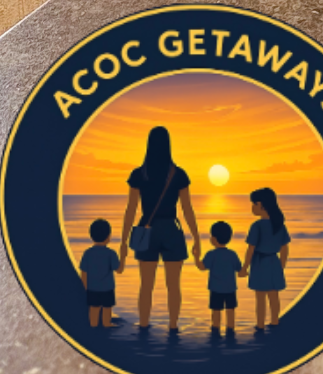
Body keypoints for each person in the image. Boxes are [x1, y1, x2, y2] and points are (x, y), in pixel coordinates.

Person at [118, 125, 202, 332]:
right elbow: (187, 209)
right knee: (173, 285)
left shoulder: (139, 174)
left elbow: (131, 210)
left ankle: (144, 325)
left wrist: (123, 241)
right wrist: (197, 238)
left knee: (146, 285)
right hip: (171, 231)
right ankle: (173, 327)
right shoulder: (178, 174)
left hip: (147, 230)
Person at [243, 187, 290, 330]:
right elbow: (284, 248)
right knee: (274, 295)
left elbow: (250, 249)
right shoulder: (279, 225)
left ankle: (260, 325)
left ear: (262, 205)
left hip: (260, 262)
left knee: (260, 298)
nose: (252, 207)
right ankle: (275, 321)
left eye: (254, 203)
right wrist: (281, 266)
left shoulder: (257, 226)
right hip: (274, 262)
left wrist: (245, 267)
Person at [200, 220, 244, 336]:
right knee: (230, 310)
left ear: (214, 238)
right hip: (230, 288)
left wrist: (195, 257)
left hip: (215, 289)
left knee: (216, 311)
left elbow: (202, 267)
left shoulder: (211, 254)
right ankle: (230, 330)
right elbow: (240, 269)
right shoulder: (232, 254)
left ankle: (215, 330)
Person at [79, 217, 120, 328]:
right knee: (107, 308)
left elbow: (84, 272)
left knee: (93, 308)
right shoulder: (111, 253)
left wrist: (85, 287)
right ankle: (107, 323)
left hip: (92, 288)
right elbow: (118, 269)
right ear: (108, 237)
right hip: (107, 288)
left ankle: (93, 325)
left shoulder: (88, 253)